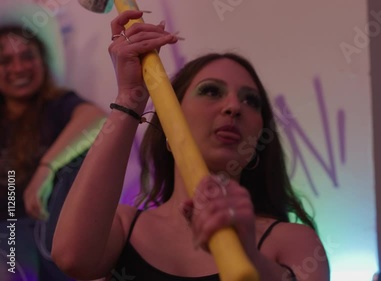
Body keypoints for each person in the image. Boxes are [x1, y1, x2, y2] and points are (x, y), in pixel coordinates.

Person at [52, 10, 330, 281]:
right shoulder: (123, 227)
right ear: (170, 121)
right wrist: (129, 97)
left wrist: (248, 255)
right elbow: (71, 257)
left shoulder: (292, 241)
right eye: (211, 91)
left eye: (251, 101)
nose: (234, 107)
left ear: (258, 142)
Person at [0, 3, 106, 281]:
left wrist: (45, 170)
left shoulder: (57, 106)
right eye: (5, 61)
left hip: (45, 236)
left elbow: (97, 120)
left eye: (27, 56)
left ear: (42, 61)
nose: (18, 67)